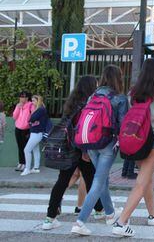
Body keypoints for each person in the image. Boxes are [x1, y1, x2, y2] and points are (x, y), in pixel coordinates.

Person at [112, 59, 154, 237]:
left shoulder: (133, 93)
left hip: (136, 138)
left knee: (146, 179)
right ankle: (121, 222)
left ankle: (153, 215)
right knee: (142, 182)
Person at [71, 65, 128, 236]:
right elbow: (122, 124)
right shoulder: (120, 98)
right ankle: (80, 222)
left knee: (102, 180)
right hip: (107, 144)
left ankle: (110, 214)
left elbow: (84, 122)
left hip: (90, 143)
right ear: (118, 78)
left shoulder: (93, 95)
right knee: (98, 181)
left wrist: (84, 149)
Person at [42, 76, 105, 230]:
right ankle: (98, 210)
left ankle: (50, 218)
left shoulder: (72, 104)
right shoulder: (86, 105)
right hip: (79, 148)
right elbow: (82, 130)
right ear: (90, 87)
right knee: (90, 179)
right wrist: (85, 151)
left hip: (68, 148)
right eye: (95, 85)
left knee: (64, 181)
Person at [20, 95, 49, 176]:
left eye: (33, 100)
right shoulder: (40, 109)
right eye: (32, 100)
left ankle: (27, 169)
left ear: (38, 101)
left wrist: (32, 121)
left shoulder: (40, 109)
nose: (32, 102)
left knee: (26, 150)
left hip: (37, 133)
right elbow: (32, 120)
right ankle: (36, 168)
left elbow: (31, 119)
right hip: (36, 133)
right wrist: (32, 121)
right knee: (35, 150)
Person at [13, 91, 35, 171]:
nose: (22, 98)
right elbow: (14, 117)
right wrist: (18, 107)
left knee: (25, 147)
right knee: (20, 146)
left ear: (27, 98)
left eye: (24, 97)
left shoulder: (31, 105)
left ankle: (25, 164)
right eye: (21, 96)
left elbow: (33, 116)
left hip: (26, 130)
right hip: (18, 129)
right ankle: (21, 162)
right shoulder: (18, 105)